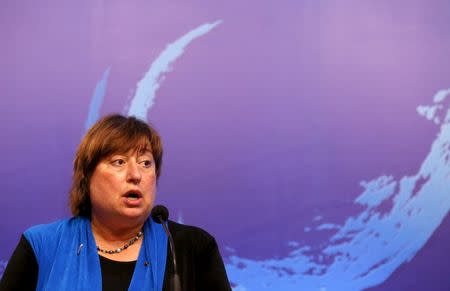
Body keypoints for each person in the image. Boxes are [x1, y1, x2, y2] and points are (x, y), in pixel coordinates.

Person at [0, 114, 232, 291]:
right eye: (119, 162)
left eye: (145, 163)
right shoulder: (42, 245)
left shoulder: (191, 248)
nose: (135, 174)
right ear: (87, 177)